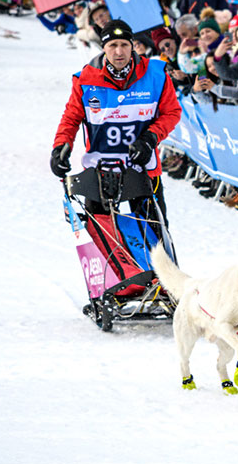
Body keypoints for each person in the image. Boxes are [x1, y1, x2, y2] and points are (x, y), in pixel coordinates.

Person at [51, 18, 182, 286]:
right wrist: (60, 147)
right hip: (100, 168)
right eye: (113, 45)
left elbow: (172, 112)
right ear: (104, 48)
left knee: (154, 230)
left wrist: (150, 137)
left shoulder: (156, 75)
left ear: (133, 46)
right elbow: (71, 117)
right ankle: (114, 285)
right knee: (101, 229)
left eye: (124, 45)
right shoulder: (86, 79)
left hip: (142, 167)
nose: (119, 52)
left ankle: (166, 285)